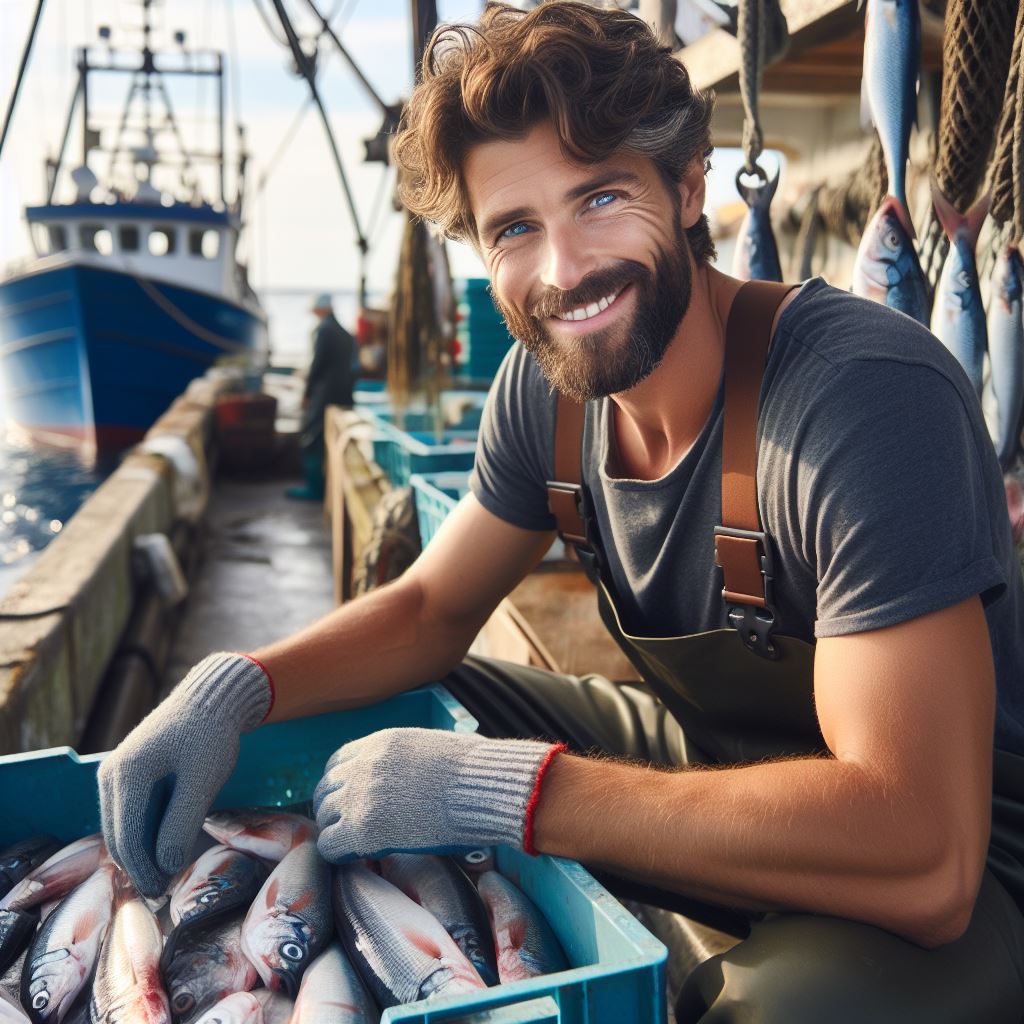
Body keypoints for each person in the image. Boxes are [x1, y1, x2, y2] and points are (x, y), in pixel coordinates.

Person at [98, 4, 1024, 1018]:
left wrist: (516, 793)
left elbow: (923, 854)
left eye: (599, 198)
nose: (563, 270)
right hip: (712, 756)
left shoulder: (865, 399)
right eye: (515, 228)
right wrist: (233, 690)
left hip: (970, 851)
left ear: (686, 189)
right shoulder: (545, 395)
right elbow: (426, 614)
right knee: (369, 707)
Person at [287, 292, 357, 500]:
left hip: (324, 395)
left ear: (321, 309)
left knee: (311, 438)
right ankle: (325, 487)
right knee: (329, 440)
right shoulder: (345, 333)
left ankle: (314, 489)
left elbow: (317, 366)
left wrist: (307, 394)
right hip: (343, 394)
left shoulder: (324, 331)